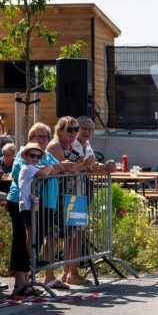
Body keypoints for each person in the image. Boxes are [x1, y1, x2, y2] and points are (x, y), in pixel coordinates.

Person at [46, 116, 97, 286]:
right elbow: (65, 169)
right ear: (60, 130)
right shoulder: (55, 146)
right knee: (53, 236)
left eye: (76, 129)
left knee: (75, 234)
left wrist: (98, 166)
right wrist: (84, 166)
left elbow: (81, 166)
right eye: (70, 129)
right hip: (59, 197)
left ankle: (71, 272)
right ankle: (49, 275)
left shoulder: (72, 147)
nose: (74, 133)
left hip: (74, 196)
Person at [16, 142, 56, 295]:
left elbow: (45, 170)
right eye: (32, 155)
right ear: (25, 156)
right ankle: (32, 258)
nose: (35, 158)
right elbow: (45, 173)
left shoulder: (33, 167)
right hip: (27, 206)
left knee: (36, 232)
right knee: (31, 232)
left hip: (33, 205)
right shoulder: (27, 168)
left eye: (38, 156)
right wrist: (51, 167)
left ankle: (33, 257)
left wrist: (49, 168)